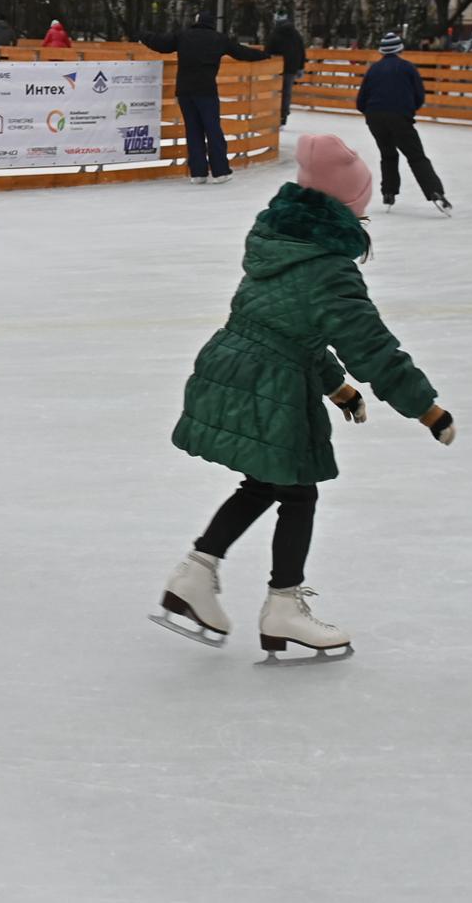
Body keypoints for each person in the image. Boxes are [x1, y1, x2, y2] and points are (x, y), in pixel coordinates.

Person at [154, 134, 455, 656]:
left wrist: (336, 387)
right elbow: (373, 348)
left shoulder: (280, 243)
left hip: (237, 369)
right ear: (346, 208)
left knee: (271, 485)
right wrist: (426, 408)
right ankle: (282, 607)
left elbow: (293, 330)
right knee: (295, 490)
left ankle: (197, 575)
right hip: (269, 386)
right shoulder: (329, 269)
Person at [137, 11, 269, 184]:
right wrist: (265, 54)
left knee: (193, 131)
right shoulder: (219, 39)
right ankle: (220, 171)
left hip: (185, 91)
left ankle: (198, 173)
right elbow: (242, 52)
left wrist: (143, 34)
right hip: (206, 91)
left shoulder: (183, 36)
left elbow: (161, 43)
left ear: (197, 21)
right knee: (213, 130)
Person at [355, 31, 449, 212]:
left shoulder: (373, 69)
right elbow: (419, 95)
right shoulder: (408, 68)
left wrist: (371, 113)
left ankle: (388, 193)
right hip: (399, 117)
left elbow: (361, 101)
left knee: (388, 155)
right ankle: (435, 191)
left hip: (375, 117)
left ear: (382, 51)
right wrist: (407, 111)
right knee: (416, 156)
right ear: (400, 49)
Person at [268, 14, 307, 124]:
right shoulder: (295, 34)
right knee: (286, 92)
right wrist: (300, 67)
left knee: (274, 91)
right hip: (291, 67)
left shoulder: (275, 34)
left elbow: (268, 50)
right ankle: (283, 115)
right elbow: (301, 50)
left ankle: (274, 113)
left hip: (276, 68)